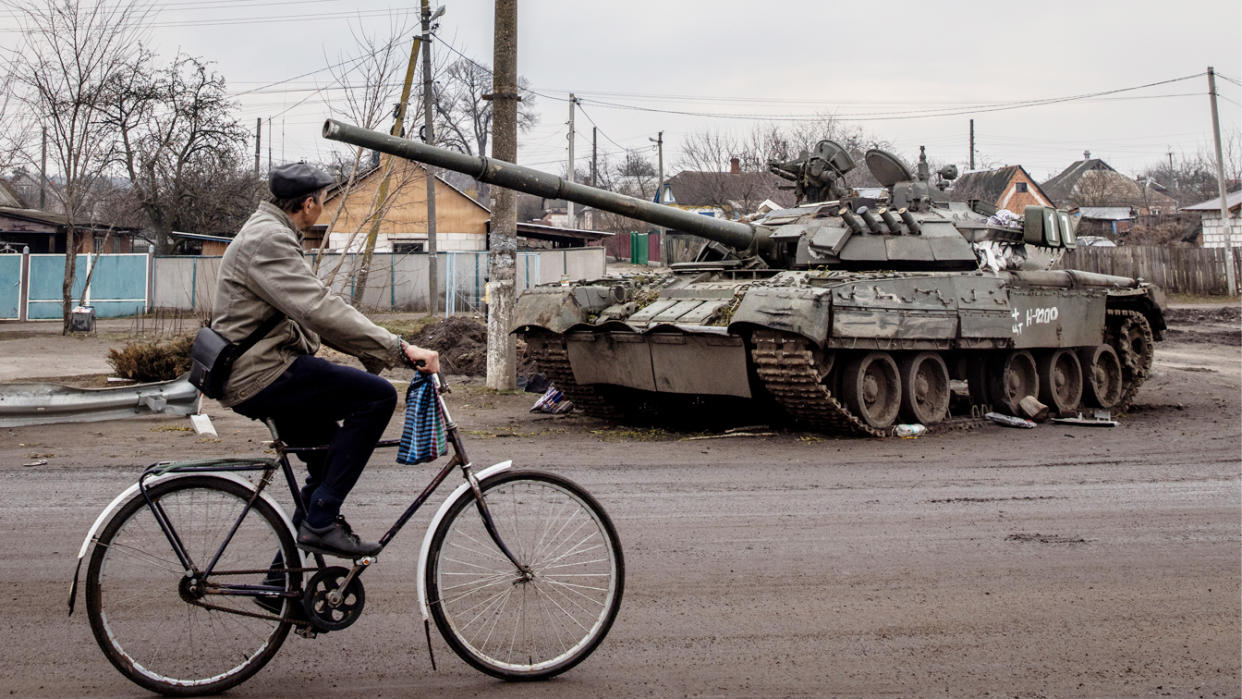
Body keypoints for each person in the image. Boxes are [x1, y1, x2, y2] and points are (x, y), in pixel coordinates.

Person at [211, 162, 439, 559]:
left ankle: (283, 586)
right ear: (308, 203)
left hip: (260, 368)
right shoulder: (269, 240)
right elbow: (318, 308)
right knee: (377, 397)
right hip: (262, 373)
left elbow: (306, 312)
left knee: (329, 457)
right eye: (324, 199)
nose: (325, 206)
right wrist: (399, 348)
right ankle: (320, 524)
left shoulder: (271, 232)